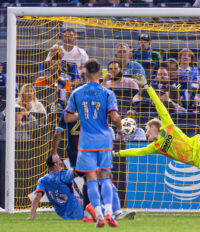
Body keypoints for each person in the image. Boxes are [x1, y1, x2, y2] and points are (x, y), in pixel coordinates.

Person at [64, 58, 122, 227]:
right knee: (105, 178)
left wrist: (79, 116)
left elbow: (67, 117)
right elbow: (115, 117)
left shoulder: (77, 92)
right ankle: (110, 212)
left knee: (91, 180)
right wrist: (120, 127)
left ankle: (99, 216)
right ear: (101, 73)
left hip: (86, 142)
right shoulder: (107, 93)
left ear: (86, 74)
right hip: (104, 140)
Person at [51, 113, 135, 222]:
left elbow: (57, 134)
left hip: (74, 154)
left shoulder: (67, 114)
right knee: (104, 179)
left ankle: (89, 213)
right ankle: (115, 212)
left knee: (90, 180)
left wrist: (54, 152)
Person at [28, 155, 84, 220]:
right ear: (61, 164)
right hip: (76, 208)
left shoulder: (43, 180)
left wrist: (31, 216)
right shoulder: (64, 175)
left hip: (61, 213)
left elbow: (37, 196)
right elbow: (77, 172)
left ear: (48, 167)